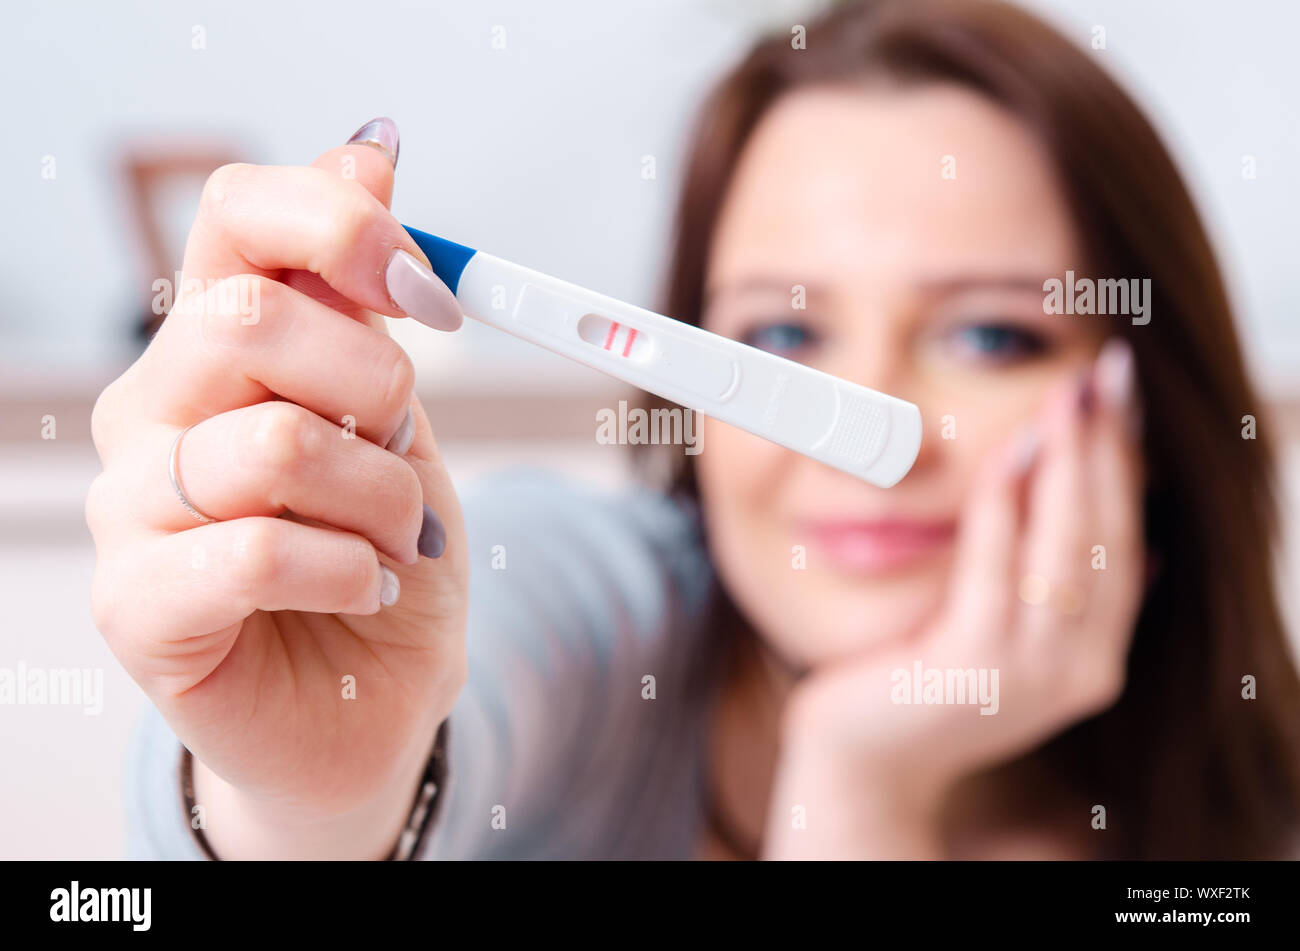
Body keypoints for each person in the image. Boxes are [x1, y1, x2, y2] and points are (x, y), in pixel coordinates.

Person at [89, 0, 1300, 860]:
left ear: (1143, 409)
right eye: (778, 338)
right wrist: (304, 811)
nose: (855, 431)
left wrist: (860, 784)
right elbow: (358, 767)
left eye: (988, 337)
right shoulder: (575, 608)